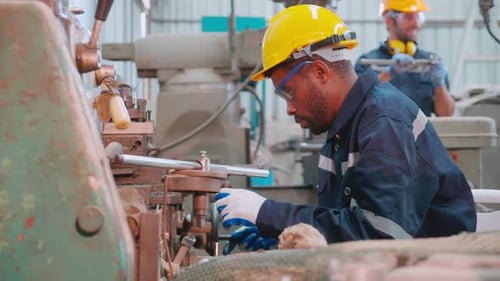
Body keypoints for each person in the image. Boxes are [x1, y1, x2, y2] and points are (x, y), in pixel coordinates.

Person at [214, 4, 476, 255]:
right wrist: (284, 232)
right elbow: (345, 223)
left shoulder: (383, 121)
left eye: (289, 93)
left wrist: (267, 213)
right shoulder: (343, 129)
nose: (289, 109)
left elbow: (380, 239)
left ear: (319, 71)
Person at [354, 0, 455, 117]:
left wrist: (440, 84)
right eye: (408, 17)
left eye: (418, 17)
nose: (416, 24)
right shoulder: (367, 62)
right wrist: (387, 74)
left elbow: (445, 114)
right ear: (389, 21)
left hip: (420, 134)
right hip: (382, 134)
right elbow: (357, 104)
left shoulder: (430, 62)